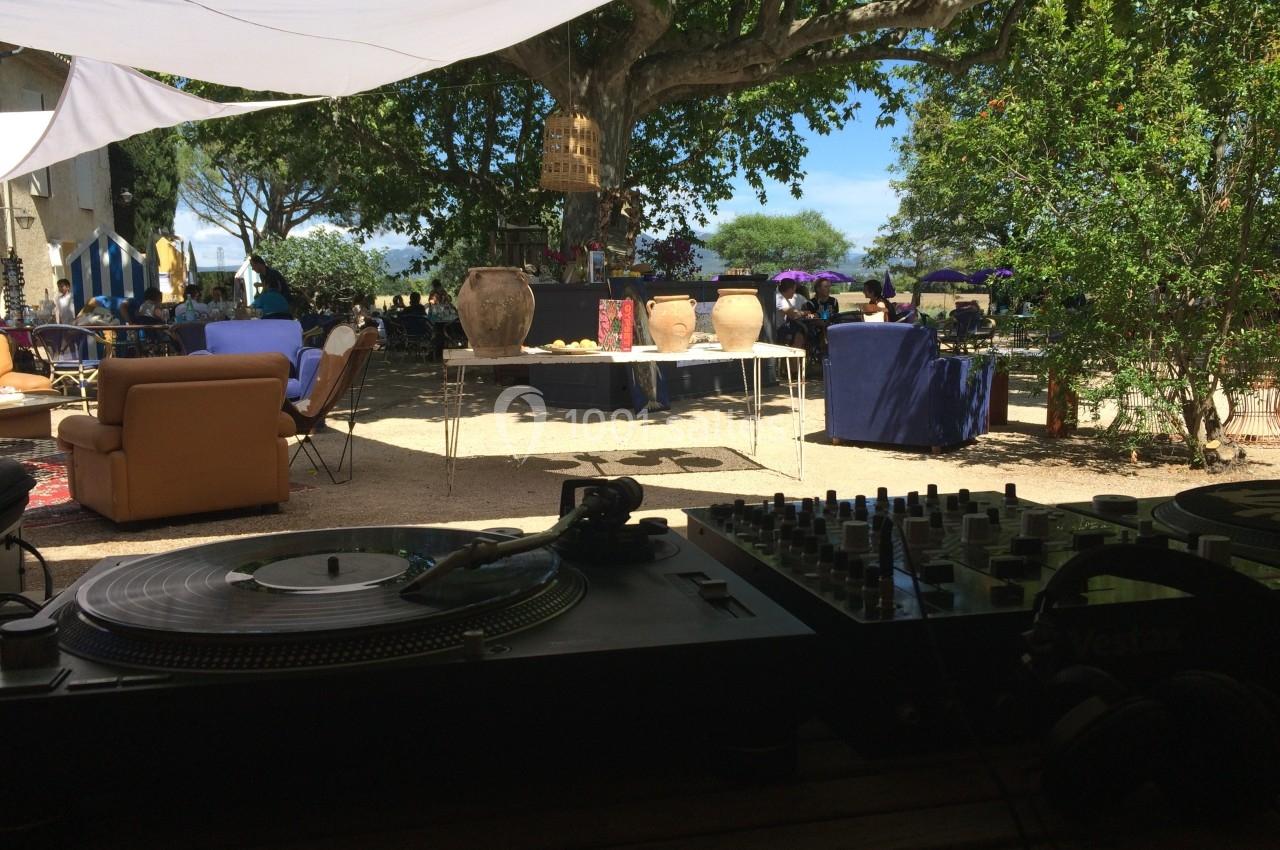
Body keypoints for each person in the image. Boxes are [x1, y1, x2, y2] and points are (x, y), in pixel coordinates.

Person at [774, 280, 809, 348]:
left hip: (780, 327)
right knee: (799, 330)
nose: (794, 292)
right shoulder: (780, 299)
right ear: (790, 289)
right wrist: (806, 313)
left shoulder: (782, 297)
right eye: (794, 290)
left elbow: (793, 311)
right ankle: (794, 355)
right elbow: (794, 315)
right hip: (777, 330)